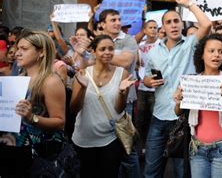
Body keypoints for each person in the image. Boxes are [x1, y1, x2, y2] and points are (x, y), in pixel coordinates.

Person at [142, 0, 211, 178]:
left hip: (184, 119)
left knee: (182, 172)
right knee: (151, 171)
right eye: (169, 22)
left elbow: (206, 25)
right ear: (162, 27)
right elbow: (146, 78)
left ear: (182, 24)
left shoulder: (191, 44)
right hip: (158, 117)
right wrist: (149, 81)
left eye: (176, 21)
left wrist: (189, 4)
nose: (173, 25)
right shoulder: (153, 52)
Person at [173, 34, 222, 178]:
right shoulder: (193, 81)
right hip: (197, 148)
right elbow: (177, 112)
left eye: (221, 51)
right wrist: (178, 100)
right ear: (201, 55)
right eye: (211, 51)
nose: (216, 55)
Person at [0, 31, 66, 177]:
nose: (17, 53)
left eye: (24, 49)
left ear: (41, 52)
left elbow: (60, 122)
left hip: (38, 153)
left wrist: (32, 117)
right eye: (17, 48)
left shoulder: (50, 81)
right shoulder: (20, 78)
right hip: (13, 148)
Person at [71, 35, 136, 178]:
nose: (107, 52)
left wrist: (121, 92)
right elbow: (74, 109)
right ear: (93, 52)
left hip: (110, 139)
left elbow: (119, 109)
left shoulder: (122, 73)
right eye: (102, 49)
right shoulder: (83, 73)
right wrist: (82, 88)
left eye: (111, 49)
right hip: (84, 139)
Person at [136, 20, 159, 156]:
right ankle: (141, 147)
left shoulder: (161, 44)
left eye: (155, 27)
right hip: (142, 89)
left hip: (156, 89)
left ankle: (153, 149)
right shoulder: (140, 46)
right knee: (140, 120)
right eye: (150, 27)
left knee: (154, 120)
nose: (153, 30)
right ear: (145, 30)